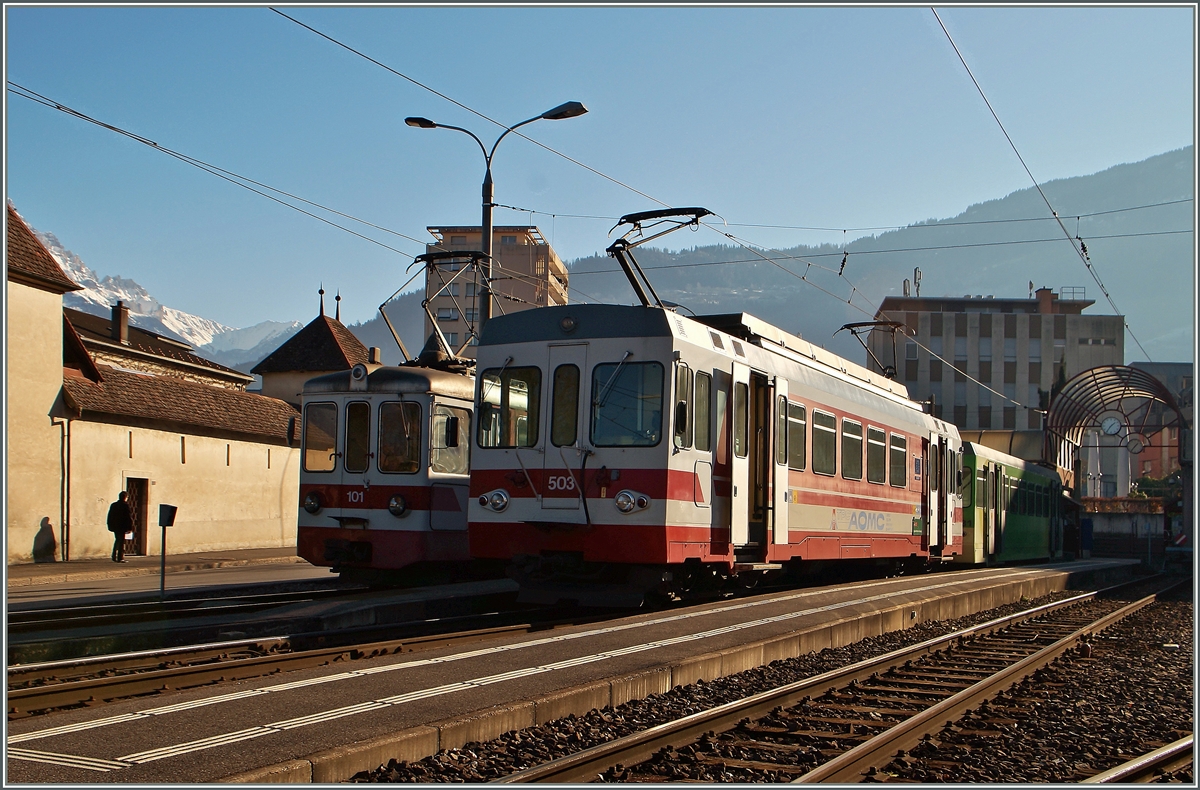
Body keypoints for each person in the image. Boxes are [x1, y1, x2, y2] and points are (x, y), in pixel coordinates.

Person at [107, 491, 133, 562]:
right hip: (122, 526)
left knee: (117, 540)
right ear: (125, 497)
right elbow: (128, 517)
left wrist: (109, 525)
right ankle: (120, 557)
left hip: (115, 526)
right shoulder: (125, 505)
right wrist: (130, 527)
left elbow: (110, 516)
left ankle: (114, 555)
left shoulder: (114, 505)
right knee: (121, 541)